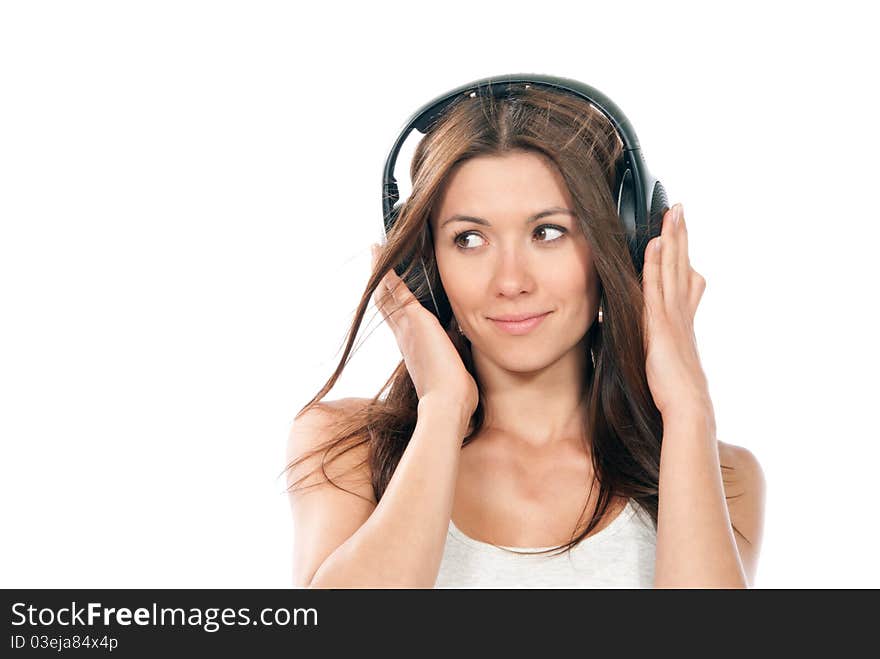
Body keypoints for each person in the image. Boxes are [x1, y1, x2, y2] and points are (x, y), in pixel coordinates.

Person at [284, 83, 766, 588]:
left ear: (621, 244)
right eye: (469, 239)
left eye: (547, 232)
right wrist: (444, 407)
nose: (511, 282)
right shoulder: (344, 448)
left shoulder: (723, 476)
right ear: (423, 266)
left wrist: (688, 408)